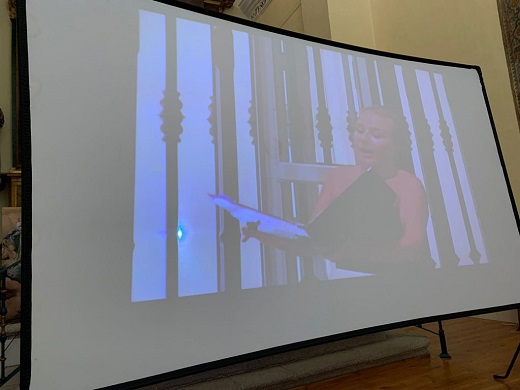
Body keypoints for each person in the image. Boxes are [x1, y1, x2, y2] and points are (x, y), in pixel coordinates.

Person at [243, 105, 431, 273]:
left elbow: (412, 244)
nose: (364, 140)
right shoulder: (337, 177)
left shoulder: (409, 184)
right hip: (349, 281)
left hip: (397, 281)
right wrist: (265, 233)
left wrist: (357, 252)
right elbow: (314, 239)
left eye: (376, 135)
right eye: (360, 130)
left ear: (396, 146)